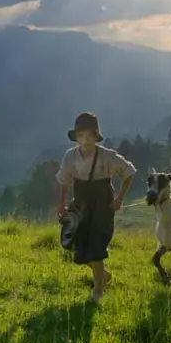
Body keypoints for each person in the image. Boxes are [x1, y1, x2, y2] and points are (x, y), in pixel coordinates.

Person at [55, 112, 137, 302]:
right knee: (77, 244)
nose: (85, 140)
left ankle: (98, 290)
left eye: (90, 135)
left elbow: (128, 173)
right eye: (81, 135)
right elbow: (64, 180)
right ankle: (103, 275)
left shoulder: (107, 156)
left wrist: (119, 199)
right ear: (76, 137)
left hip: (102, 205)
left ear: (96, 136)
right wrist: (61, 202)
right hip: (81, 202)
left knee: (95, 247)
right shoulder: (70, 156)